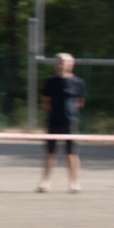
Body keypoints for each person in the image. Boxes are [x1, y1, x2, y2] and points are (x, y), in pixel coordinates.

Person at [37, 52, 85, 193]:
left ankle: (74, 183)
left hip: (70, 122)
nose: (61, 64)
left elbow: (80, 102)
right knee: (49, 154)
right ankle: (44, 182)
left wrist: (70, 113)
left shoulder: (78, 82)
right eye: (58, 61)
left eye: (64, 62)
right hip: (53, 121)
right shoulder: (50, 81)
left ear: (71, 64)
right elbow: (46, 102)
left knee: (71, 154)